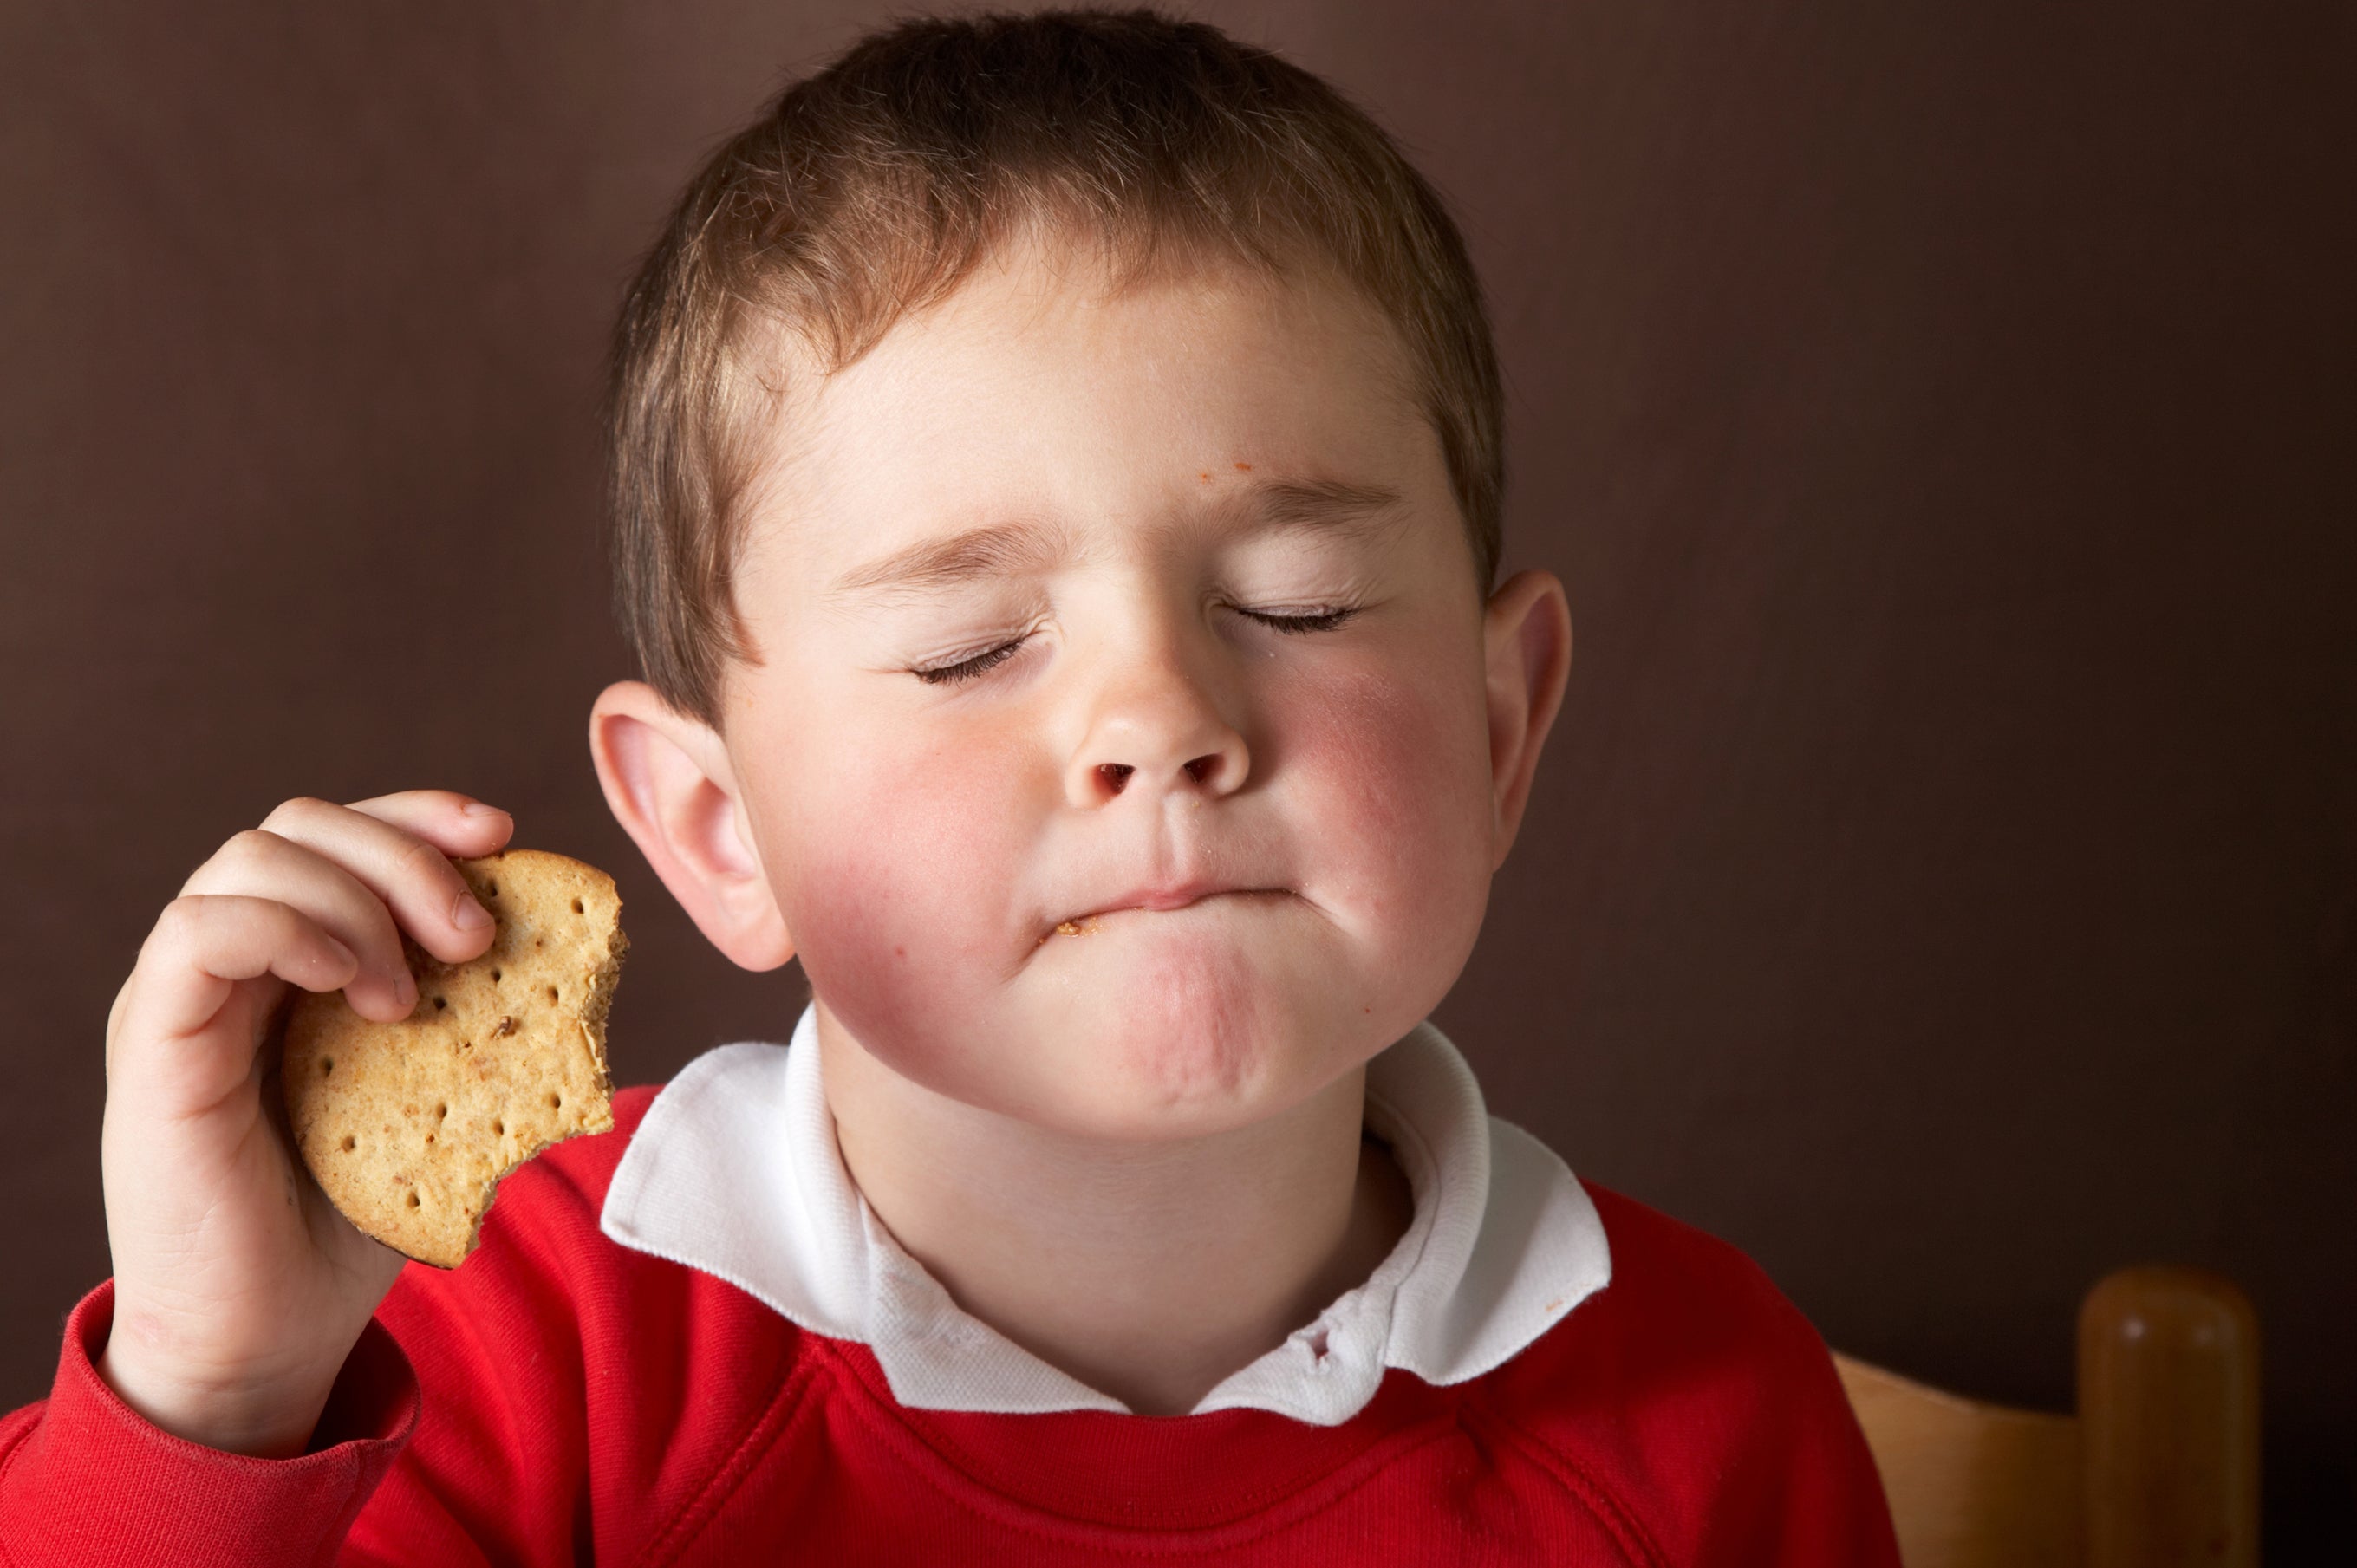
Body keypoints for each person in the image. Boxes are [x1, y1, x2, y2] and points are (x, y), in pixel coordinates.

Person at [0, 11, 1900, 1563]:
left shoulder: (1709, 1411)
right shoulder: (484, 1349)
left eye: (1294, 600)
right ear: (719, 835)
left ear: (1497, 729)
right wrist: (216, 1392)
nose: (1158, 714)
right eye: (972, 643)